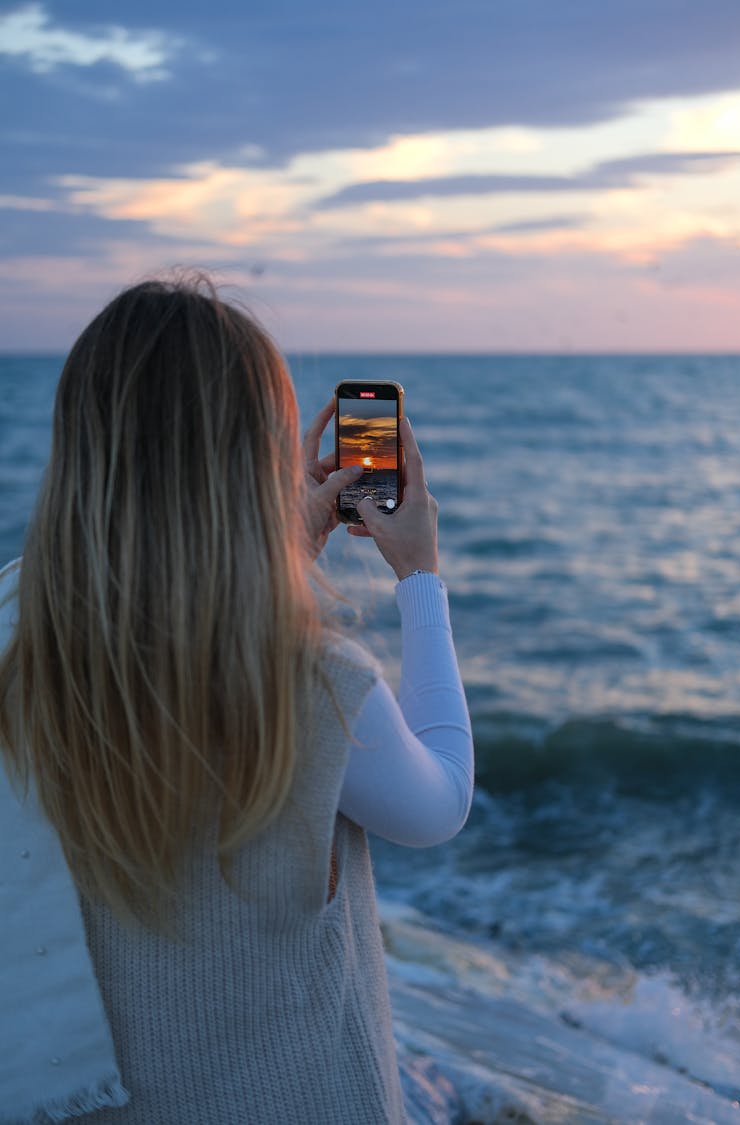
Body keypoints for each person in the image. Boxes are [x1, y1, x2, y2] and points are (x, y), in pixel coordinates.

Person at [0, 276, 473, 1124]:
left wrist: (283, 558)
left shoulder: (19, 651)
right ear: (255, 460)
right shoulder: (308, 677)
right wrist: (421, 575)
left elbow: (162, 619)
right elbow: (439, 801)